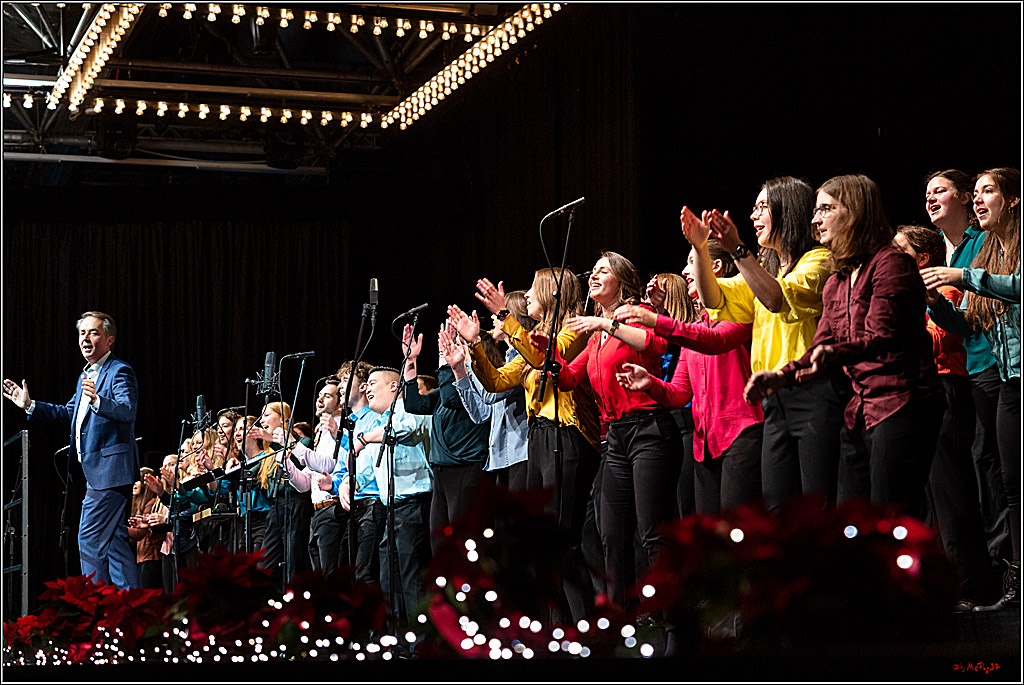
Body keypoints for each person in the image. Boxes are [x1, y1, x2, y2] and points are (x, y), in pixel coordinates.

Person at [746, 174, 943, 517]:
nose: (815, 219)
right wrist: (781, 376)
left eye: (825, 209)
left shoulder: (891, 263)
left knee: (890, 518)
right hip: (860, 409)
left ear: (853, 212)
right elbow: (821, 343)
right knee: (849, 519)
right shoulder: (836, 281)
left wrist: (833, 354)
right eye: (815, 211)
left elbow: (882, 336)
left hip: (901, 403)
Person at [686, 177, 844, 513]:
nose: (753, 215)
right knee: (777, 510)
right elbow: (712, 296)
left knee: (817, 507)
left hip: (813, 394)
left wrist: (736, 249)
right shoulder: (765, 271)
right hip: (774, 402)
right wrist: (700, 248)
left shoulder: (819, 261)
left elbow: (775, 298)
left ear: (787, 210)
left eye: (762, 206)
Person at [456, 267, 602, 622]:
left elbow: (545, 359)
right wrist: (475, 345)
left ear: (553, 294)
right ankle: (555, 629)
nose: (527, 297)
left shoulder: (574, 330)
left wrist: (505, 316)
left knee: (560, 541)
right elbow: (495, 382)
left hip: (566, 435)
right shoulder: (534, 339)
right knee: (539, 543)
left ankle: (586, 628)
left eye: (533, 290)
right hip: (538, 440)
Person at [554, 251, 681, 612]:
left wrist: (606, 324)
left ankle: (671, 618)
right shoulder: (596, 336)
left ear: (622, 282)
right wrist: (540, 351)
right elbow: (568, 378)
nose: (593, 276)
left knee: (652, 532)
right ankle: (621, 619)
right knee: (610, 533)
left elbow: (654, 344)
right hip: (615, 438)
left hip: (649, 430)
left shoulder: (638, 314)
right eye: (593, 270)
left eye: (603, 271)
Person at [923, 167, 1020, 611]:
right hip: (1006, 378)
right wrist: (935, 303)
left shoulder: (990, 253)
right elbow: (970, 324)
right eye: (976, 192)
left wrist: (963, 278)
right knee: (1008, 482)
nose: (979, 199)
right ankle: (1014, 581)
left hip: (1002, 375)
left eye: (987, 191)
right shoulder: (989, 252)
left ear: (1013, 200)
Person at [616, 241, 764, 515]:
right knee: (706, 533)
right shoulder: (693, 330)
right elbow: (680, 393)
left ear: (715, 267)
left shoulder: (740, 312)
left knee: (736, 528)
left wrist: (657, 320)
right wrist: (649, 383)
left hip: (741, 434)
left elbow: (714, 340)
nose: (684, 271)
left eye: (691, 262)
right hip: (704, 443)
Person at [893, 224, 994, 609]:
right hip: (917, 392)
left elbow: (939, 339)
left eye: (899, 250)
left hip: (946, 388)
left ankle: (968, 586)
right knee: (928, 499)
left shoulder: (944, 290)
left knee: (950, 493)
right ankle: (935, 587)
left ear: (922, 259)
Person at [3, 311, 140, 590]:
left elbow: (127, 410)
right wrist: (29, 405)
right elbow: (68, 413)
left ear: (109, 340)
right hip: (95, 474)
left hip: (109, 473)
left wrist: (98, 401)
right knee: (115, 547)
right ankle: (132, 609)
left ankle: (96, 607)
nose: (86, 338)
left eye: (94, 332)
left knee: (89, 540)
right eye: (82, 333)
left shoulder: (119, 371)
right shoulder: (84, 376)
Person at [337, 366, 433, 626]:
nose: (367, 389)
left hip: (413, 506)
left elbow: (406, 429)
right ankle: (397, 638)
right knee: (389, 580)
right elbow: (368, 467)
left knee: (411, 580)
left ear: (393, 387)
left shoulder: (408, 409)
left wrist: (366, 438)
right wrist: (349, 482)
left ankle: (419, 641)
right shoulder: (380, 422)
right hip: (392, 510)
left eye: (372, 383)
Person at [447, 293, 532, 492]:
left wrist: (470, 354)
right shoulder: (508, 359)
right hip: (500, 458)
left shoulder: (523, 359)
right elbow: (481, 414)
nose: (493, 317)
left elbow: (490, 394)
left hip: (521, 454)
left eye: (499, 313)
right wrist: (459, 370)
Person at [250, 401, 313, 584]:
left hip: (296, 504)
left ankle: (294, 598)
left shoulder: (303, 442)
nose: (262, 420)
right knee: (264, 564)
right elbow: (248, 475)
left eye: (267, 415)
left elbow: (295, 458)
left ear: (283, 419)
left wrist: (272, 440)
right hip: (276, 507)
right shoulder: (268, 453)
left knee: (294, 561)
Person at [127, 468, 163, 590]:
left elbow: (140, 533)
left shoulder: (151, 503)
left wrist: (118, 530)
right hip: (142, 557)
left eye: (137, 480)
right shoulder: (139, 505)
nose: (134, 484)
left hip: (151, 557)